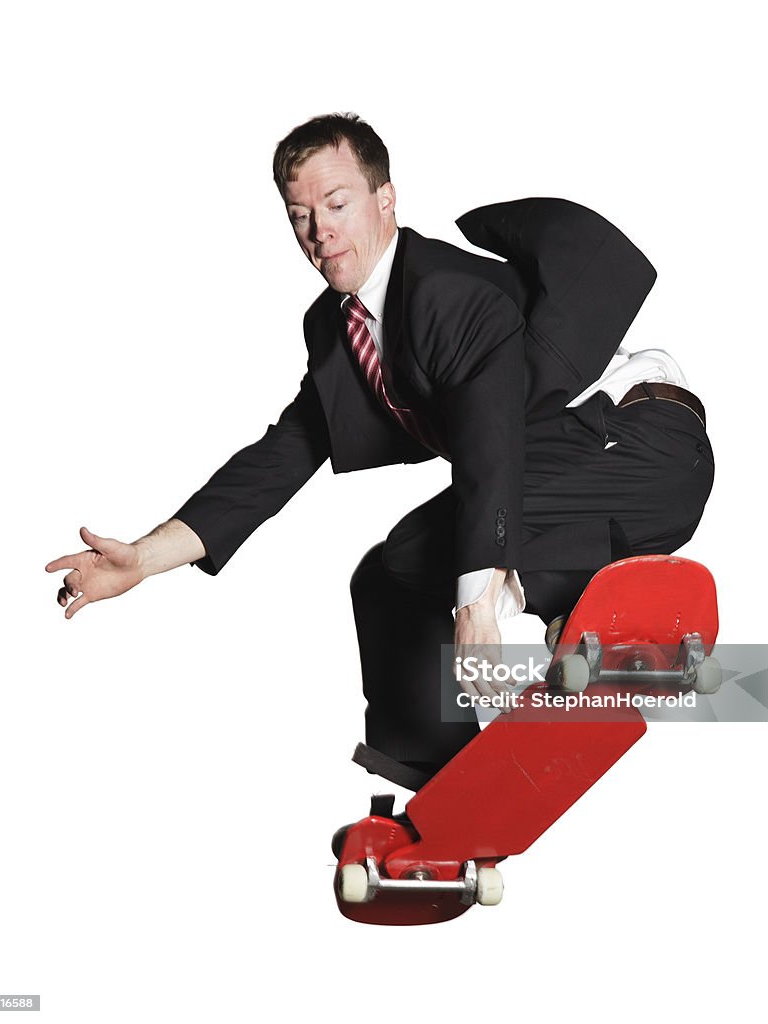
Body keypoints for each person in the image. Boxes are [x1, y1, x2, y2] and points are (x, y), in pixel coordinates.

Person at [46, 112, 714, 787]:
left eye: (337, 204)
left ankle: (583, 625)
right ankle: (441, 788)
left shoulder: (446, 292)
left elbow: (489, 441)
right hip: (584, 485)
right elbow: (276, 461)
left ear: (385, 199)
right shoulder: (347, 333)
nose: (321, 230)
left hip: (640, 448)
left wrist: (476, 610)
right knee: (388, 580)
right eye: (300, 215)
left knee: (422, 556)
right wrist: (144, 560)